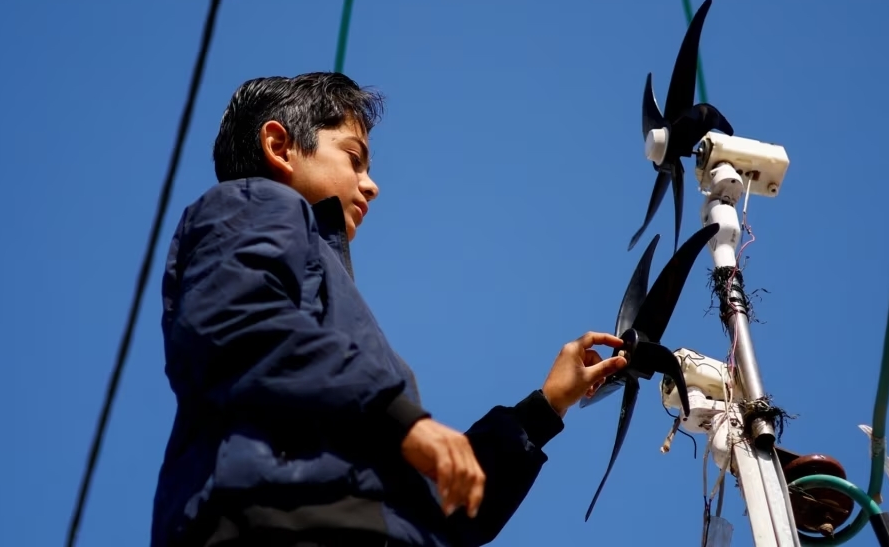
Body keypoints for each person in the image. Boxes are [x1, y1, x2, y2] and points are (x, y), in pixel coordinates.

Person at [150, 72, 629, 547]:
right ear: (279, 146)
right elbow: (243, 324)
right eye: (353, 160)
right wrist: (398, 419)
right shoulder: (250, 205)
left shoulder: (346, 360)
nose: (371, 185)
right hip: (271, 522)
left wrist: (546, 408)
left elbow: (447, 504)